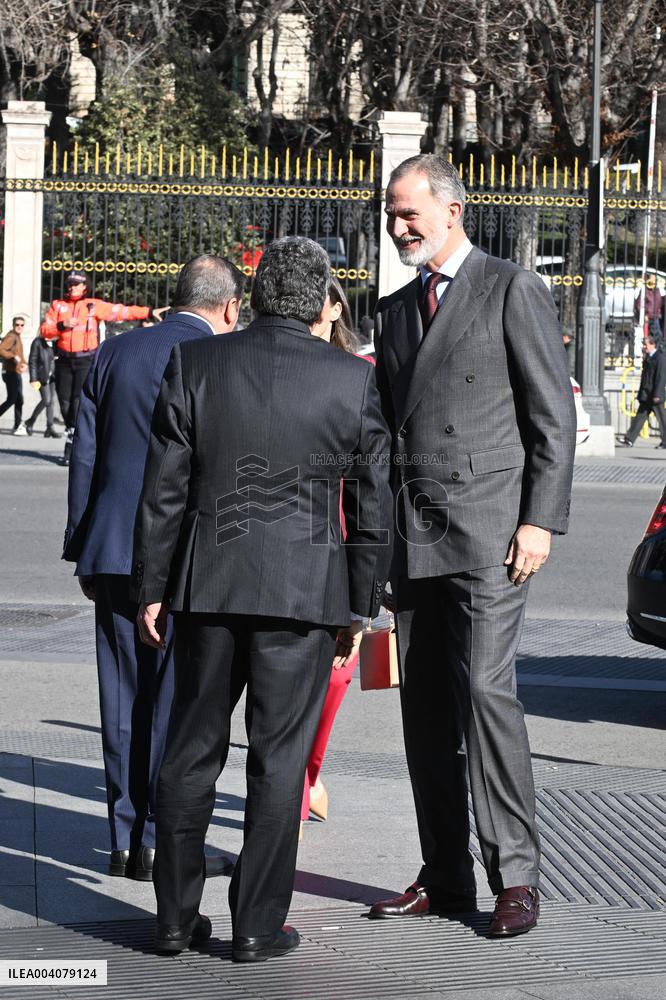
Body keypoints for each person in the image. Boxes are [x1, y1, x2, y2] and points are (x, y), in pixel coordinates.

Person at [133, 236, 392, 962]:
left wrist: (152, 587)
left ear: (250, 297)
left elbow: (164, 492)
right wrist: (360, 603)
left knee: (189, 753)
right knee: (279, 762)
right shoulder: (353, 379)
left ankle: (174, 919)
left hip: (208, 585)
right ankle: (256, 927)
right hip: (306, 594)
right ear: (320, 303)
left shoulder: (197, 362)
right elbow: (374, 505)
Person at [369, 154, 576, 937]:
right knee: (421, 708)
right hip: (413, 538)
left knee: (487, 696)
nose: (398, 228)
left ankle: (515, 876)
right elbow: (382, 433)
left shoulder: (509, 286)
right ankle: (445, 873)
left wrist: (539, 521)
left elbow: (550, 417)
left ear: (452, 209)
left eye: (409, 213)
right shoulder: (393, 309)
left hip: (493, 534)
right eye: (392, 215)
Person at [63, 255, 244, 881]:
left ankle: (125, 841)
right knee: (179, 701)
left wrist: (82, 543)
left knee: (122, 697)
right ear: (229, 307)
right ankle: (167, 844)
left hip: (112, 550)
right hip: (188, 556)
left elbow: (83, 452)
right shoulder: (220, 358)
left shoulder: (114, 354)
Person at [300, 277, 369, 831]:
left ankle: (307, 774)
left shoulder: (359, 375)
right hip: (280, 544)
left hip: (343, 547)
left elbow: (377, 483)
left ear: (333, 307)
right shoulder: (263, 359)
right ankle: (295, 790)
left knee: (337, 678)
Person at [41, 271, 154, 465]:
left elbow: (120, 311)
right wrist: (62, 324)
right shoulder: (58, 306)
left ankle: (71, 444)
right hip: (64, 360)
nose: (72, 287)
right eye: (70, 283)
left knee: (77, 401)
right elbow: (45, 331)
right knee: (65, 402)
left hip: (86, 359)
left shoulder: (92, 305)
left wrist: (148, 312)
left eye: (76, 284)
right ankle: (71, 429)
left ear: (85, 286)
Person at [620, 334, 666, 449]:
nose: (644, 347)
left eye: (646, 344)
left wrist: (657, 394)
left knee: (662, 420)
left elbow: (660, 377)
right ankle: (629, 439)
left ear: (652, 344)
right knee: (640, 418)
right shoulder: (648, 357)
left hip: (655, 395)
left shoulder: (659, 358)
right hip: (646, 395)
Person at [25, 328, 61, 438]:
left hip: (52, 377)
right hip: (42, 377)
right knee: (47, 400)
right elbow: (33, 360)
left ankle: (49, 428)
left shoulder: (55, 342)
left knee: (51, 403)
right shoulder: (38, 342)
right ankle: (30, 421)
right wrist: (33, 378)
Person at [0, 316, 28, 434]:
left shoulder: (17, 337)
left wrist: (24, 363)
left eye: (22, 325)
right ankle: (17, 426)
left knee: (18, 400)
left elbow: (19, 355)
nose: (19, 327)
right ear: (13, 325)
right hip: (10, 372)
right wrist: (12, 356)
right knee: (12, 399)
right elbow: (1, 350)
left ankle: (17, 425)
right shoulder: (11, 337)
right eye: (17, 324)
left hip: (14, 372)